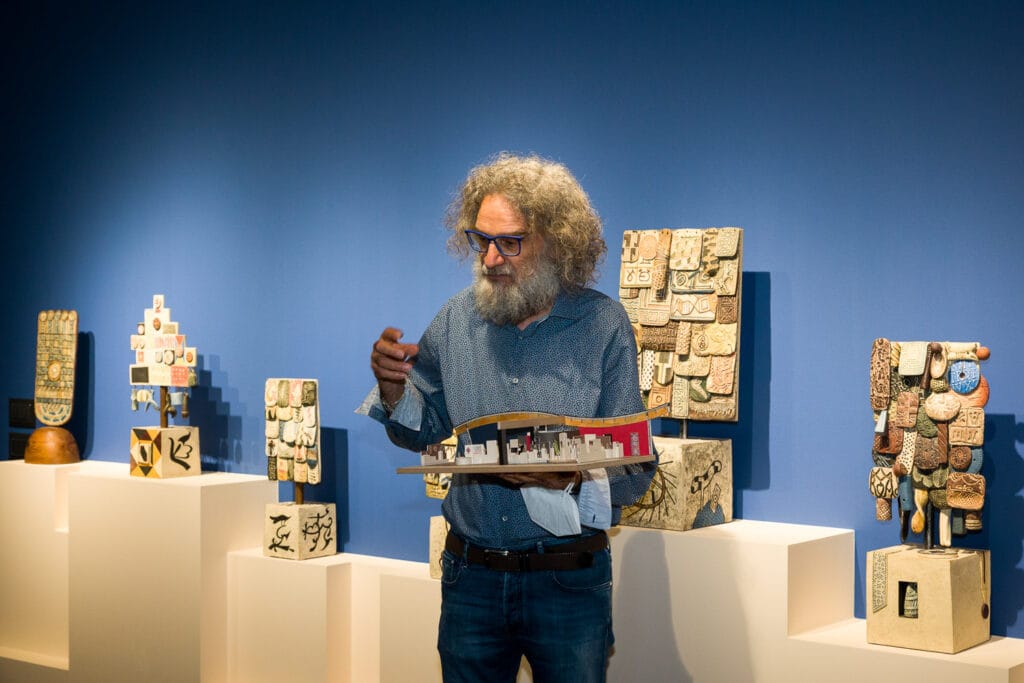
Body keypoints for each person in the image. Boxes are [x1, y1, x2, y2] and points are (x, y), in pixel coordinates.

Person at [358, 152, 655, 683]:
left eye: (510, 242)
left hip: (567, 582)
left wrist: (572, 476)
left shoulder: (603, 325)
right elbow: (423, 430)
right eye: (481, 240)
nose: (491, 258)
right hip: (470, 578)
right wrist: (393, 388)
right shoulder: (456, 319)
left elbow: (635, 467)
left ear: (556, 242)